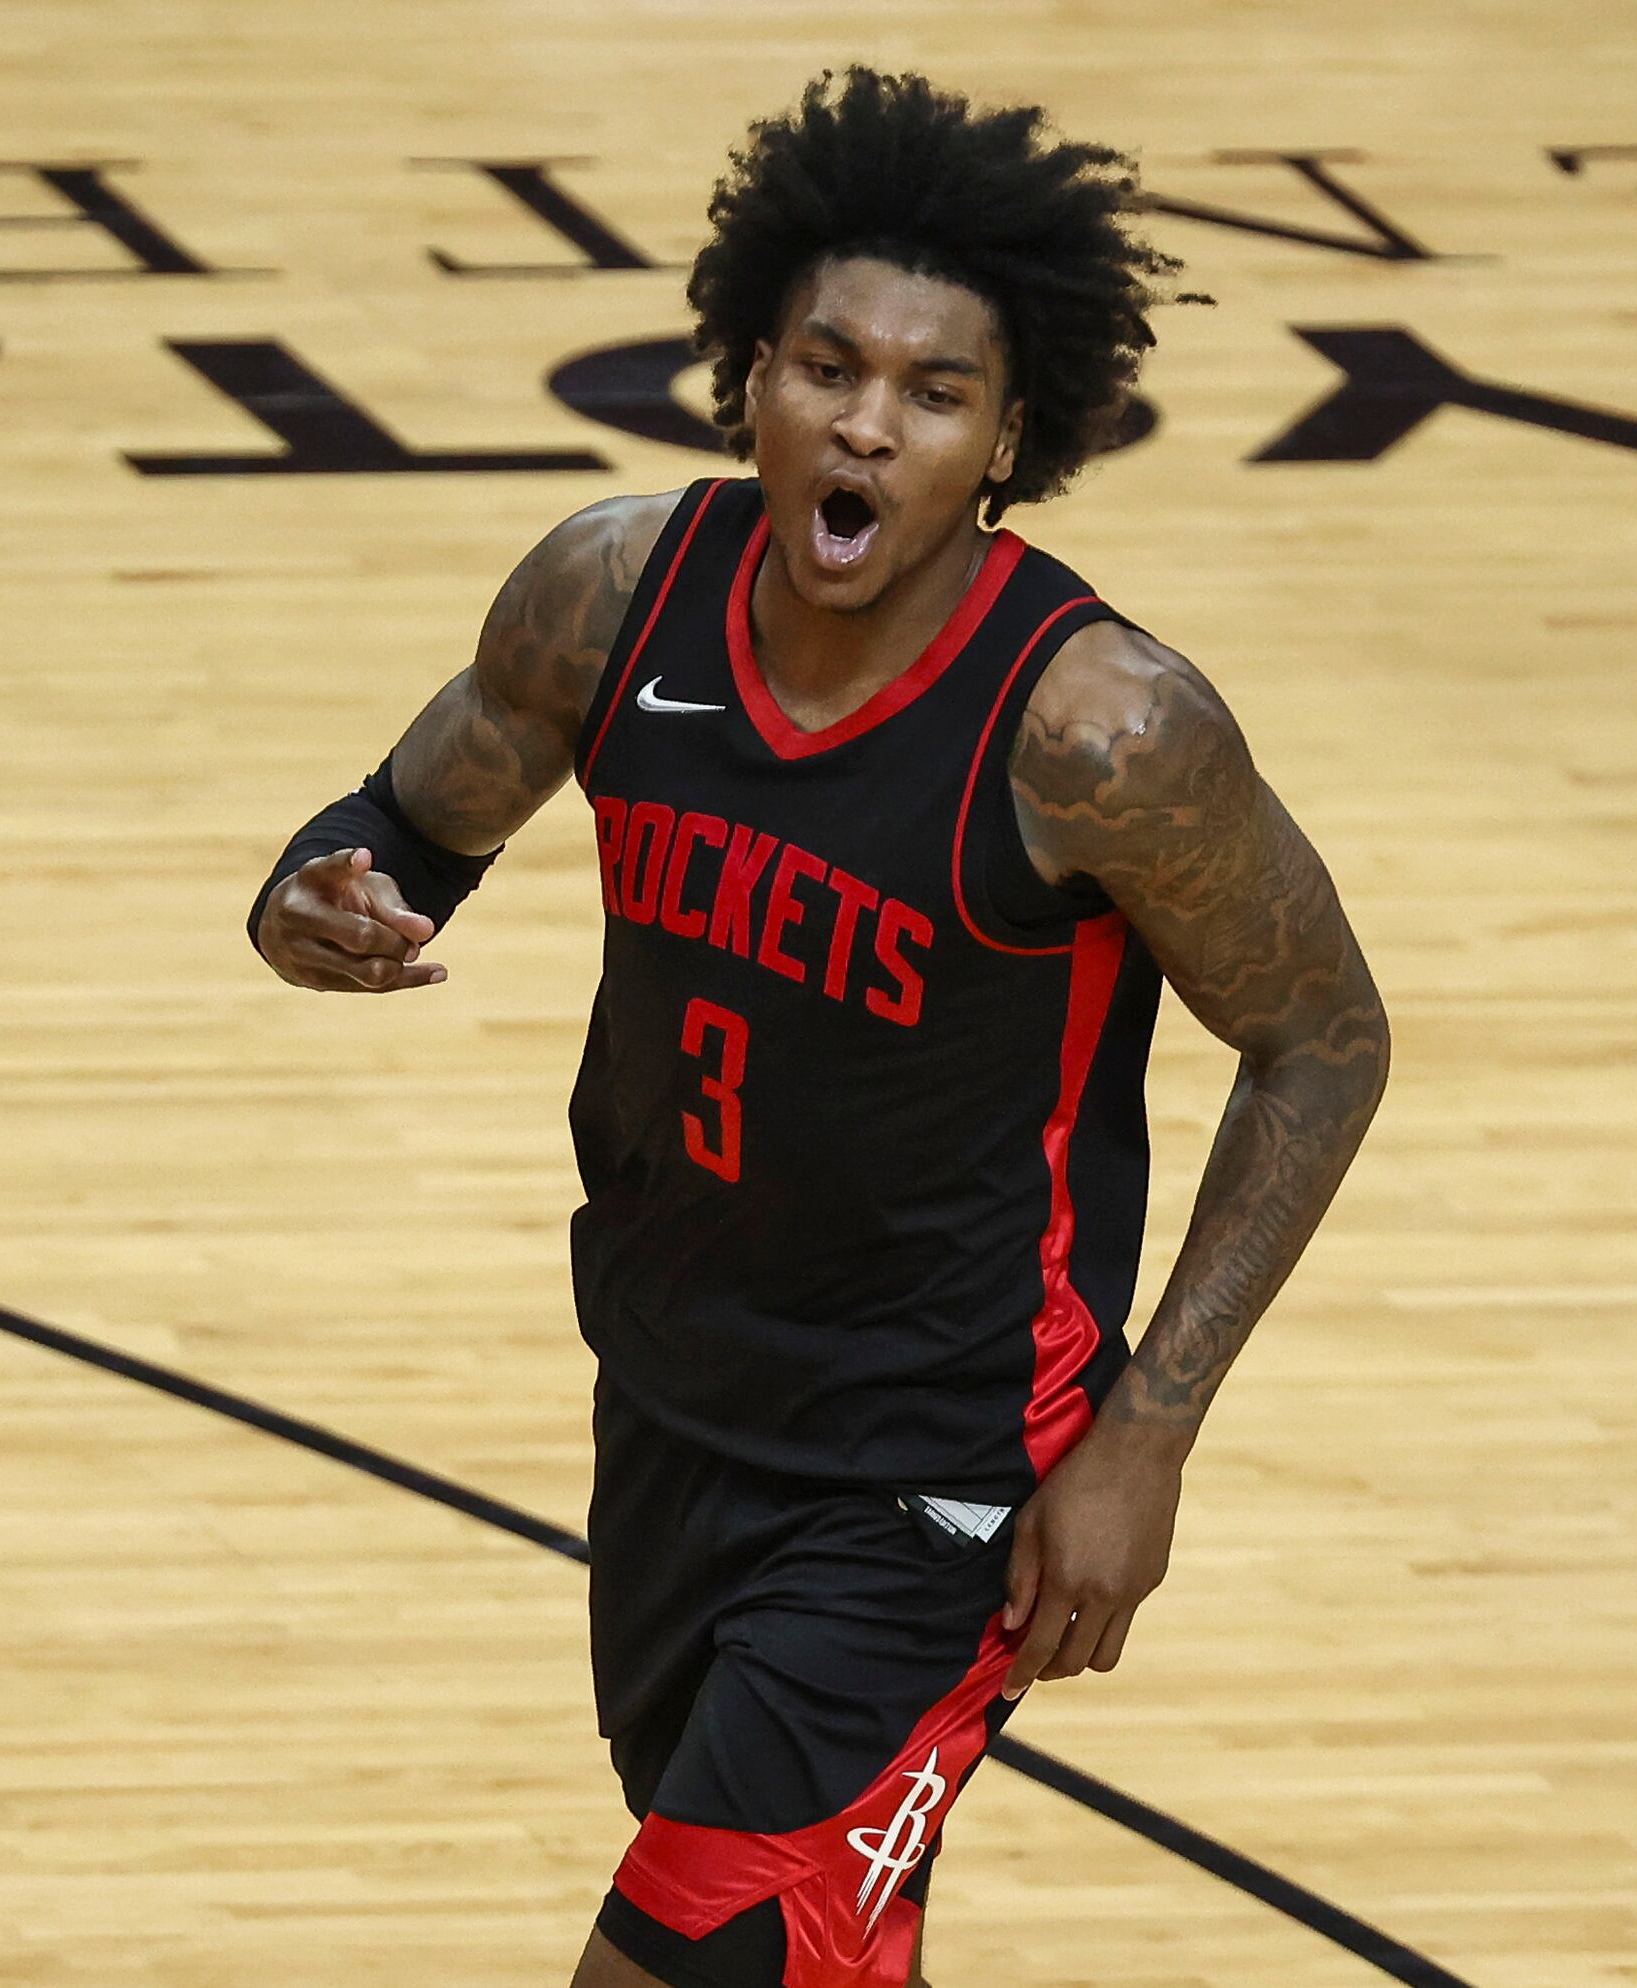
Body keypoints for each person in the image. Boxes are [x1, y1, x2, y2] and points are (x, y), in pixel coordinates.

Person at [247, 65, 1389, 1988]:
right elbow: (405, 829)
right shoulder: (615, 595)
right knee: (808, 1963)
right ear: (746, 374)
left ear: (1008, 437)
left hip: (939, 1473)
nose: (867, 424)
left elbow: (1325, 1043)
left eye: (934, 394)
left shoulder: (1099, 735)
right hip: (676, 1399)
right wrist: (318, 893)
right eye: (827, 366)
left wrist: (1146, 1432)